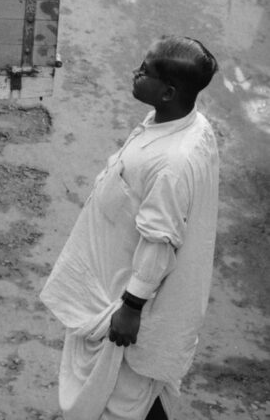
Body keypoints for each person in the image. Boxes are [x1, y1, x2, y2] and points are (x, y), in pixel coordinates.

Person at [41, 36, 221, 420]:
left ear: (169, 92)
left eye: (146, 71)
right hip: (113, 284)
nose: (136, 73)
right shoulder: (179, 123)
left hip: (126, 306)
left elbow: (160, 243)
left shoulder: (174, 162)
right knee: (131, 393)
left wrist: (131, 308)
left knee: (124, 395)